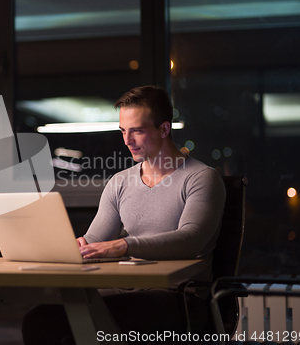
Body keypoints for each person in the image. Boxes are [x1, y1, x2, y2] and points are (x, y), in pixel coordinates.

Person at [21, 85, 226, 344]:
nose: (127, 140)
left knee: (83, 321)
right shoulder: (120, 182)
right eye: (123, 131)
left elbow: (190, 240)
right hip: (122, 290)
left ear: (164, 129)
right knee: (38, 320)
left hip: (178, 297)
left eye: (137, 131)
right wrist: (73, 247)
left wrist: (123, 245)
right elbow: (94, 241)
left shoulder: (201, 178)